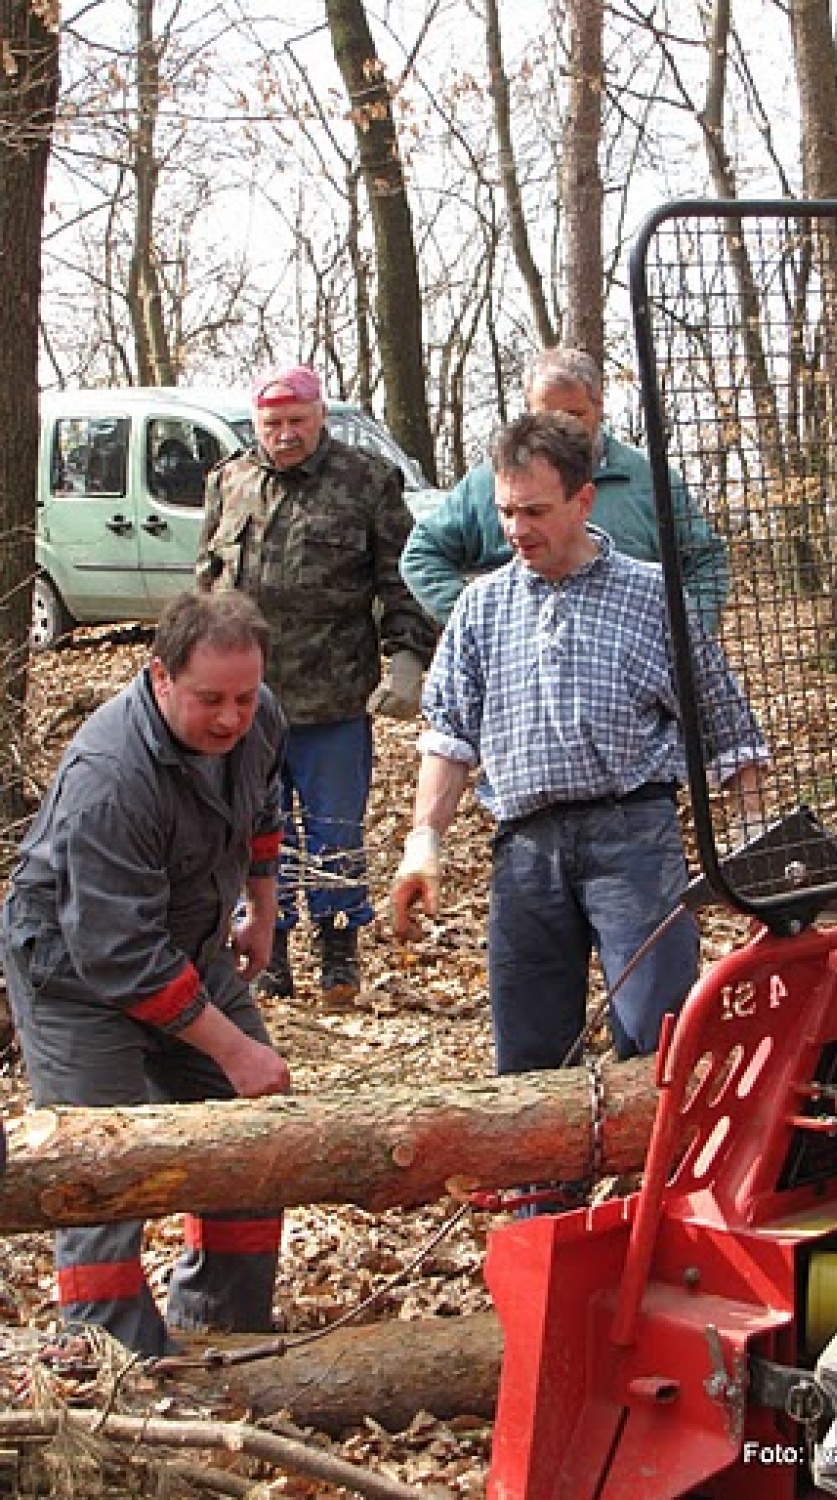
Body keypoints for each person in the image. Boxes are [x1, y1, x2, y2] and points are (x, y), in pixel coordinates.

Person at [392, 411, 768, 1094]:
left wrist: (753, 844)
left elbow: (728, 730)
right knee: (529, 1063)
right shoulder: (480, 609)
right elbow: (448, 737)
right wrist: (424, 843)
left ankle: (658, 1161)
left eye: (535, 510)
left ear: (583, 500)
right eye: (506, 511)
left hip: (633, 844)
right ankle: (546, 1169)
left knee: (657, 1044)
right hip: (524, 853)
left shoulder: (654, 598)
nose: (516, 529)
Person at [2, 591, 290, 1357]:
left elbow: (262, 804)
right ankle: (112, 1365)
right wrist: (233, 1049)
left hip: (184, 941)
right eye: (210, 700)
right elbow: (120, 955)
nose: (231, 718)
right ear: (160, 676)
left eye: (244, 696)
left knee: (255, 1129)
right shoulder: (110, 774)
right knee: (103, 1164)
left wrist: (261, 907)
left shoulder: (258, 716)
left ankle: (224, 1327)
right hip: (74, 970)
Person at [197, 363, 437, 1007]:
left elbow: (401, 579)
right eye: (272, 423)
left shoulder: (367, 481)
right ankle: (267, 950)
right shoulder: (229, 482)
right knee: (253, 830)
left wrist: (407, 657)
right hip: (245, 706)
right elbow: (206, 584)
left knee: (334, 832)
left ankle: (337, 952)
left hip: (334, 698)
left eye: (297, 421)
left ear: (320, 417)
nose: (285, 434)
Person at [399, 345, 729, 632]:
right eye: (547, 415)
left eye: (574, 413)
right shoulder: (491, 483)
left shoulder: (649, 479)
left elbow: (705, 560)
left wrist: (682, 636)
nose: (561, 426)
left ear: (599, 405)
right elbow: (422, 554)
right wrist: (479, 623)